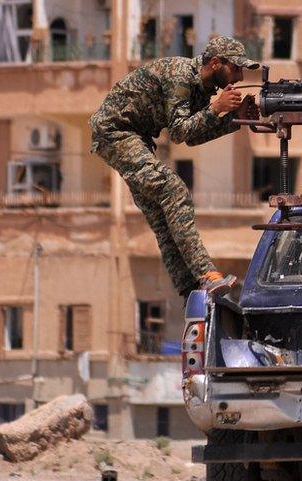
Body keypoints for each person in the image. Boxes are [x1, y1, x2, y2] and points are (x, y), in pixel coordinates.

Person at [89, 36, 260, 298]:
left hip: (137, 137)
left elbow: (193, 137)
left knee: (161, 216)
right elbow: (179, 132)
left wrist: (235, 120)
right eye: (235, 68)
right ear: (215, 63)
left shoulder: (203, 89)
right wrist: (215, 108)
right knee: (174, 192)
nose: (238, 77)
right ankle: (207, 274)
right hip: (115, 133)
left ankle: (190, 290)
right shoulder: (179, 76)